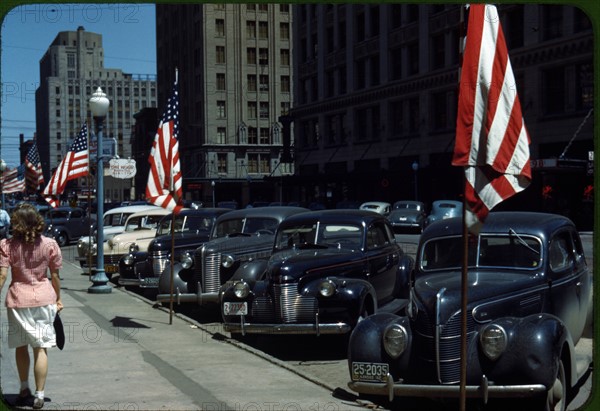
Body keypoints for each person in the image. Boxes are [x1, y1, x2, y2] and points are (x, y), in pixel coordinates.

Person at [0, 203, 63, 409]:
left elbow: (2, 275)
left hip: (18, 299)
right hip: (44, 299)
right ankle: (40, 395)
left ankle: (24, 388)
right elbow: (55, 276)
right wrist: (58, 299)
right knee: (40, 348)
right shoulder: (50, 244)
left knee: (21, 346)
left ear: (16, 224)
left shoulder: (7, 246)